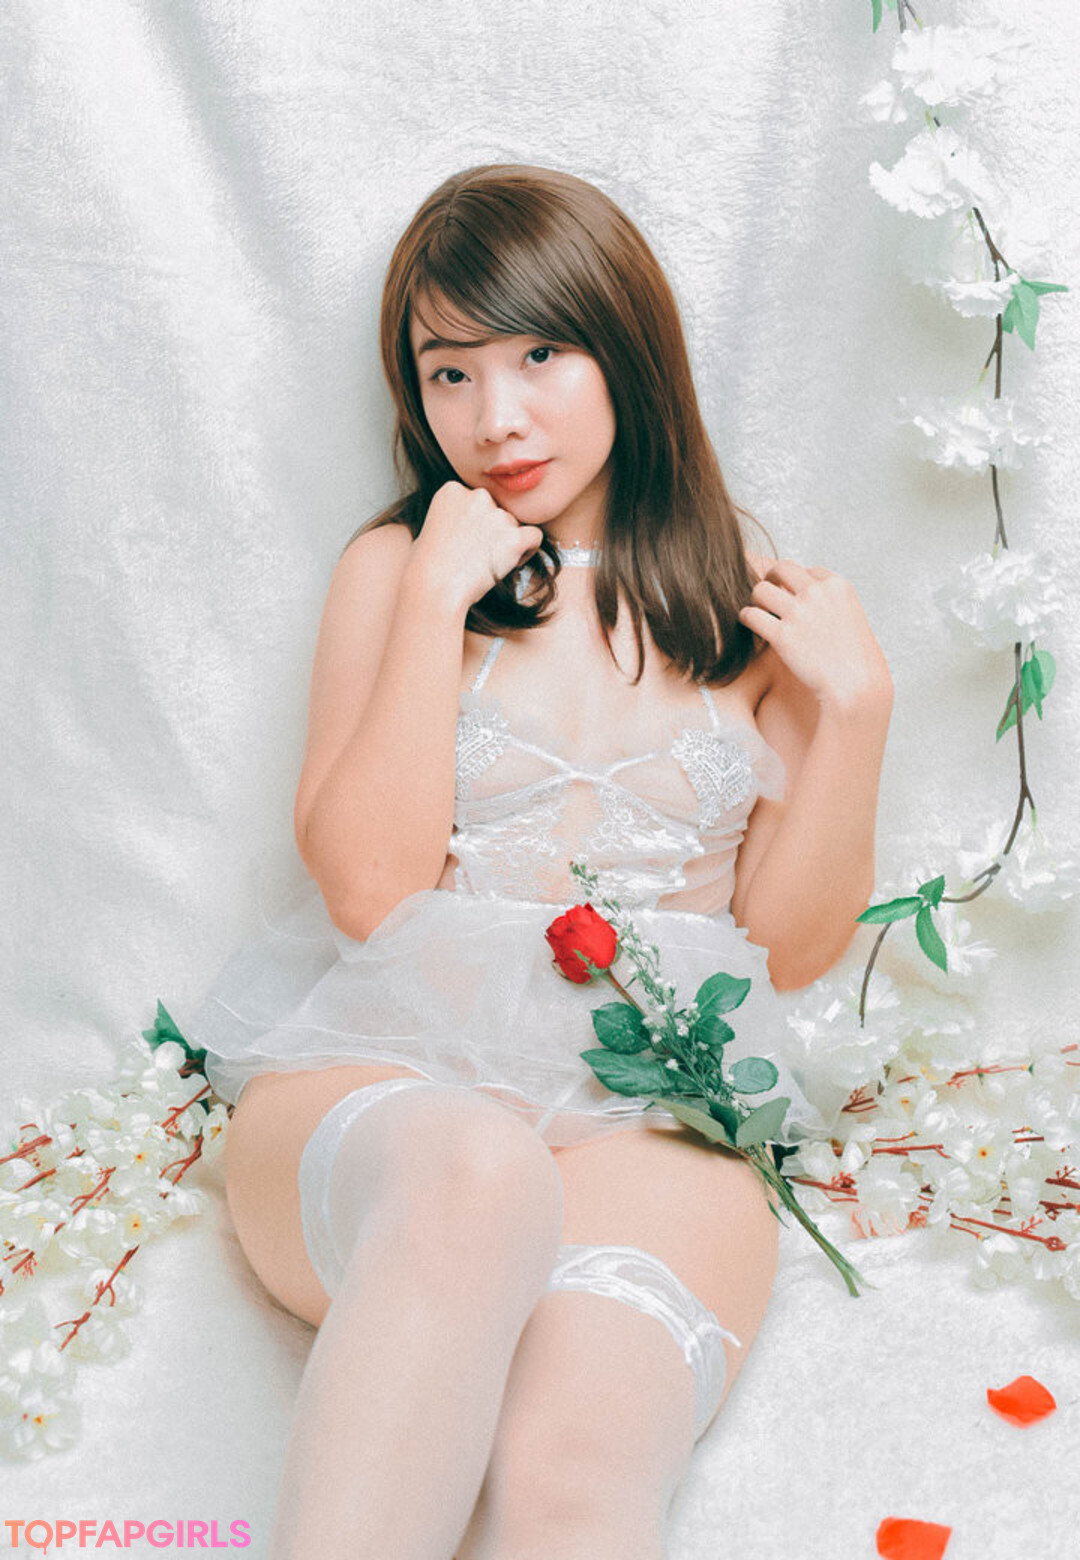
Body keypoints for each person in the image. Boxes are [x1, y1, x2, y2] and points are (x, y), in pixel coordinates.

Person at [186, 164, 893, 1560]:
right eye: (448, 373)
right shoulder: (398, 571)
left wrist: (859, 713)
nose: (493, 418)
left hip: (650, 1119)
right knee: (479, 1171)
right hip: (391, 1086)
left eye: (540, 357)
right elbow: (372, 893)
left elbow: (792, 947)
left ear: (627, 352)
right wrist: (434, 601)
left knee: (568, 1472)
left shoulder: (745, 609)